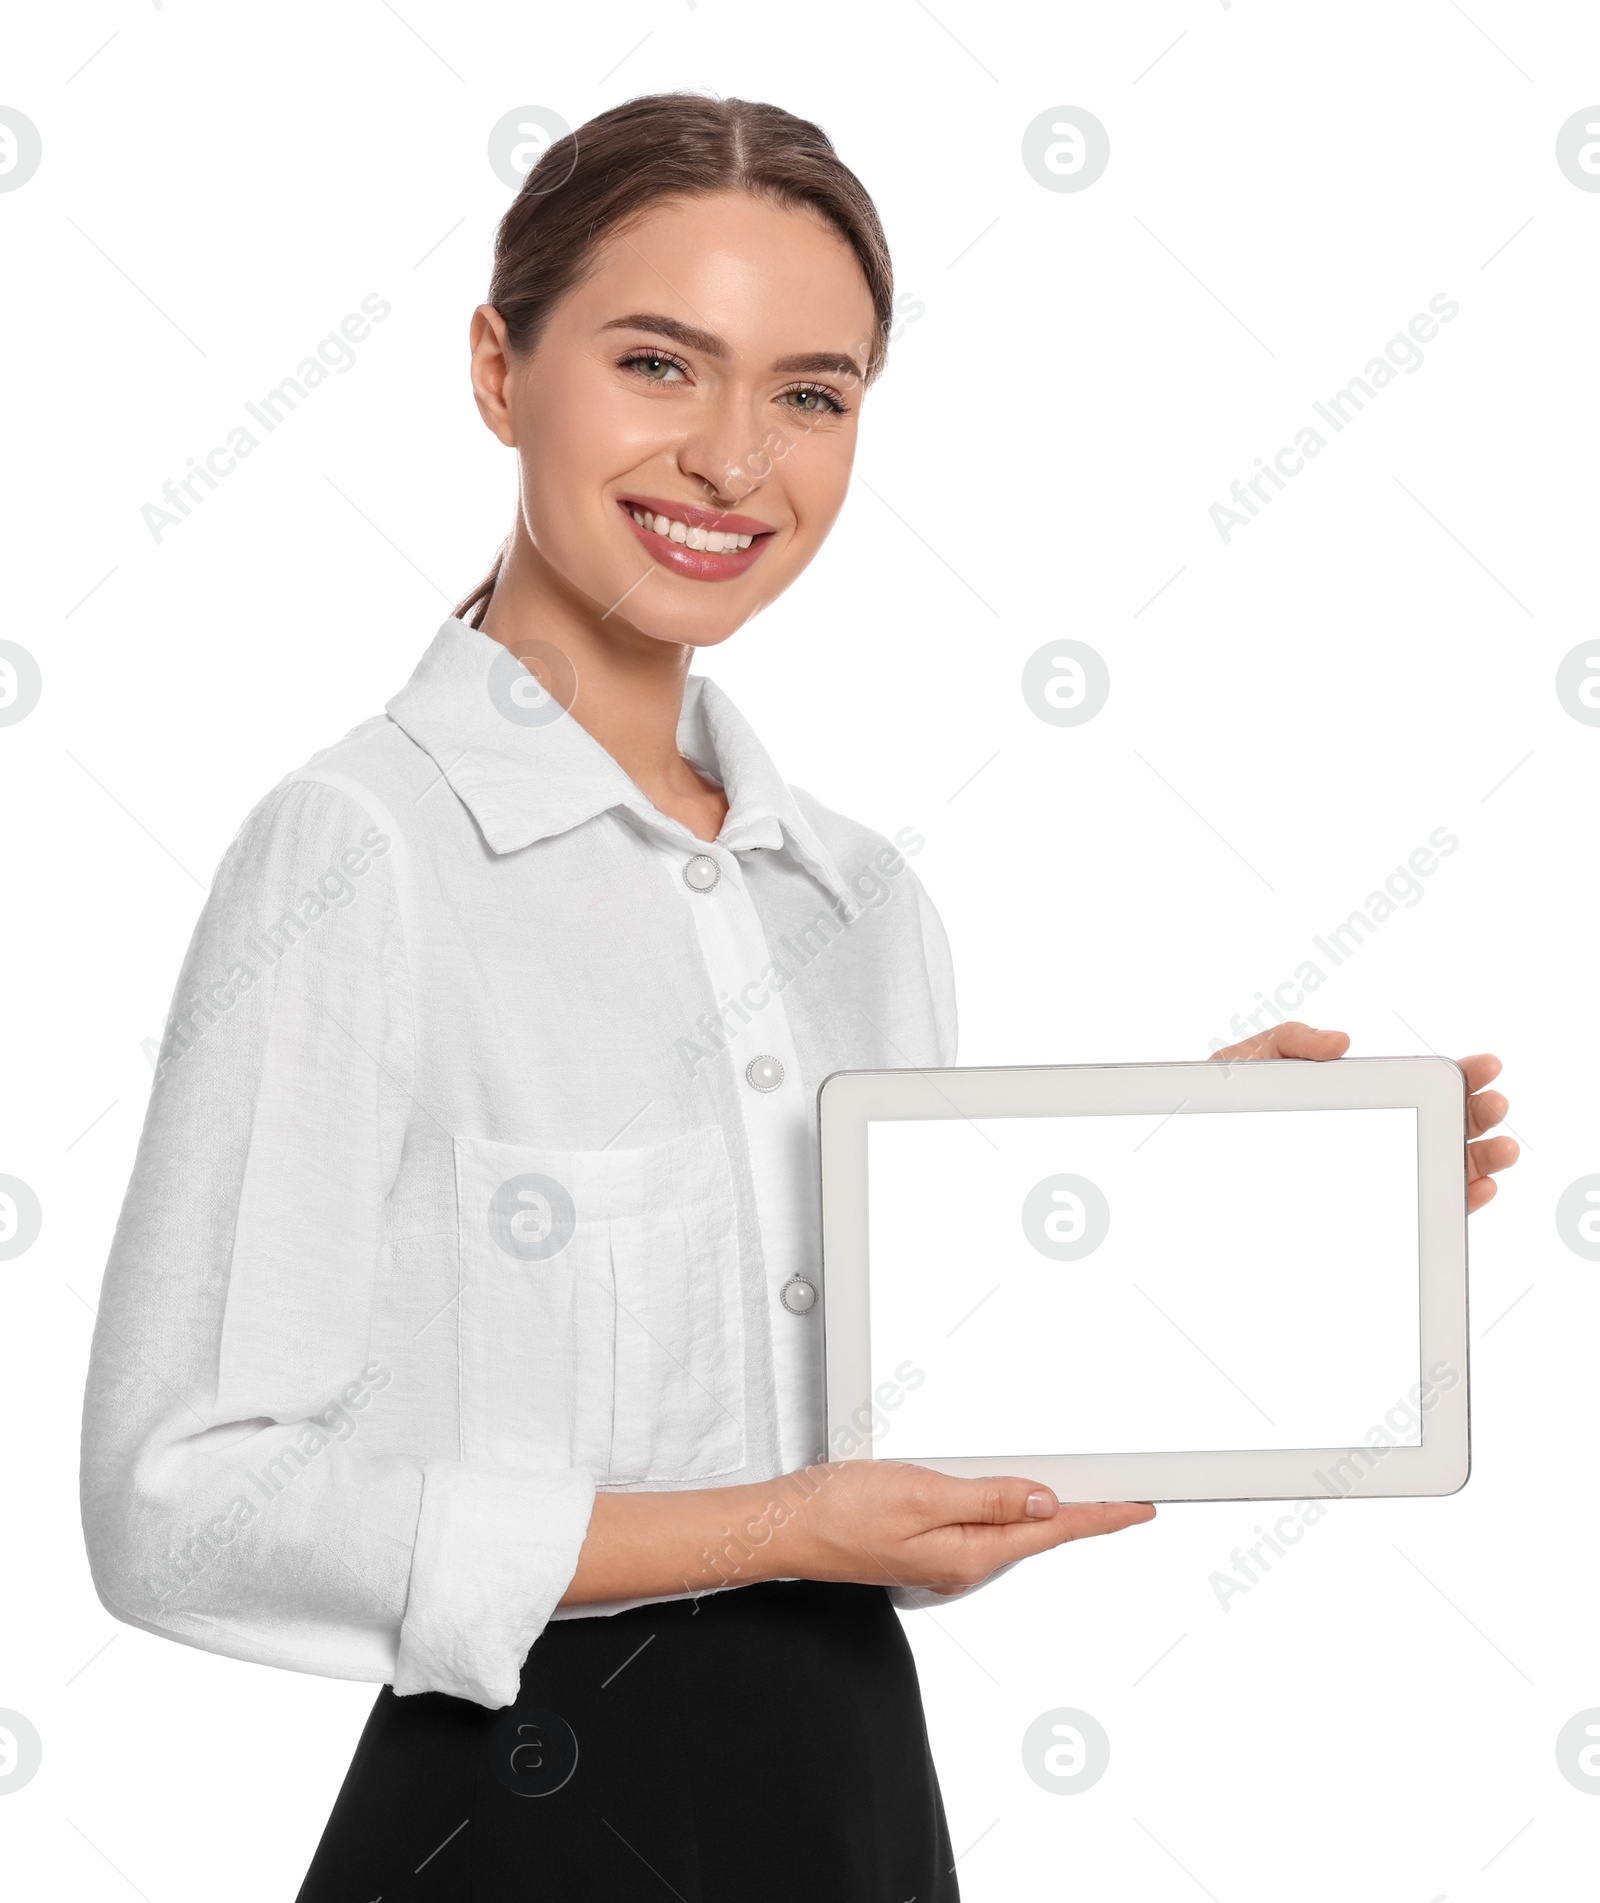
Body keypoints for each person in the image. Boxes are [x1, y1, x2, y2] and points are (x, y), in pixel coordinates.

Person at [78, 92, 1518, 1901]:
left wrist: (1197, 1193)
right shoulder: (361, 854)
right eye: (661, 364)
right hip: (524, 1825)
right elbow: (179, 1510)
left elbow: (894, 1453)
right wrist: (777, 1529)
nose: (735, 461)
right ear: (496, 365)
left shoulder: (858, 904)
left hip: (850, 1802)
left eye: (811, 395)